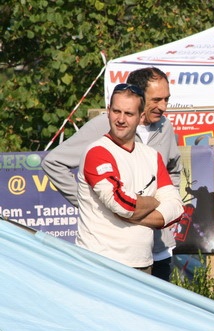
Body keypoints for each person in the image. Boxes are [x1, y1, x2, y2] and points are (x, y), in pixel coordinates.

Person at [42, 67, 181, 281]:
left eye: (166, 99)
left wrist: (158, 209)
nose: (163, 107)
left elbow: (174, 172)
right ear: (139, 97)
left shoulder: (165, 127)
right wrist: (91, 203)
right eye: (156, 100)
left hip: (156, 248)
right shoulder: (103, 126)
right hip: (109, 254)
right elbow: (54, 162)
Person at [76, 84, 183, 271]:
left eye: (129, 113)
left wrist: (134, 212)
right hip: (99, 263)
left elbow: (176, 208)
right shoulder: (97, 152)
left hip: (143, 264)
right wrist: (154, 201)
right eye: (116, 111)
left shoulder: (152, 155)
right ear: (108, 111)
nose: (121, 119)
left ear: (141, 117)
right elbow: (122, 204)